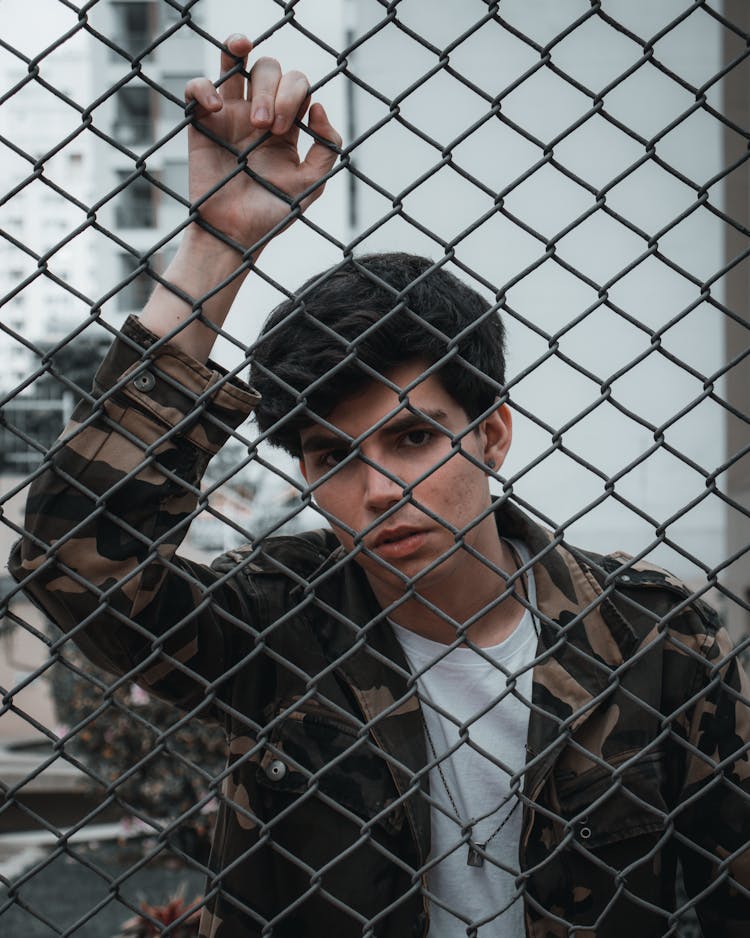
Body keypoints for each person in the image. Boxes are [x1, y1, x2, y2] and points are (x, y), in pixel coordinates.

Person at [9, 34, 750, 938]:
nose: (381, 490)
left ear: (494, 433)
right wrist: (216, 246)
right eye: (332, 457)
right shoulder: (279, 625)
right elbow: (74, 564)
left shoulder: (655, 637)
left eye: (412, 437)